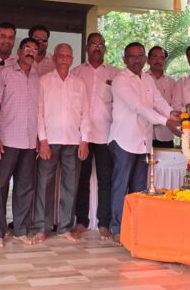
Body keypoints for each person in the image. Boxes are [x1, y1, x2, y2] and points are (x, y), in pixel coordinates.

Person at [109, 42, 180, 241]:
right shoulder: (120, 80)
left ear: (145, 59)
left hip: (143, 141)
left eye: (140, 55)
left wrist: (171, 113)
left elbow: (158, 100)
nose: (137, 60)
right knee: (121, 186)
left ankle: (135, 227)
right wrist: (166, 121)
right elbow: (138, 107)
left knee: (140, 187)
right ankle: (117, 228)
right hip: (123, 140)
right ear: (125, 59)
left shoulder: (147, 79)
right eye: (132, 56)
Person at [32, 43, 90, 243]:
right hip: (50, 140)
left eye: (68, 55)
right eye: (61, 55)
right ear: (55, 58)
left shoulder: (79, 84)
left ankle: (65, 227)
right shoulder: (44, 81)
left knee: (70, 185)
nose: (64, 58)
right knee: (44, 184)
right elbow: (38, 112)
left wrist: (84, 140)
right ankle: (42, 227)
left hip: (74, 141)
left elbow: (85, 114)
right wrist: (43, 140)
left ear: (72, 59)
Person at [0, 38, 40, 248]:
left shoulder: (37, 77)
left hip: (29, 142)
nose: (30, 52)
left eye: (34, 49)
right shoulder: (5, 73)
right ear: (19, 51)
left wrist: (39, 138)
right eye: (27, 48)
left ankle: (20, 230)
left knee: (24, 188)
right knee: (0, 186)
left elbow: (39, 110)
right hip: (7, 139)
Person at [71, 32, 120, 240]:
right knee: (81, 179)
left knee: (105, 180)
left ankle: (104, 223)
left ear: (105, 48)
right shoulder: (76, 72)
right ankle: (81, 222)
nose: (97, 48)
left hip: (106, 135)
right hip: (81, 136)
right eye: (93, 44)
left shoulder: (115, 74)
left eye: (101, 44)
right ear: (87, 48)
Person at [147, 46, 176, 148]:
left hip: (166, 133)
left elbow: (174, 106)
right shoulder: (141, 79)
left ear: (165, 61)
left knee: (167, 158)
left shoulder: (172, 82)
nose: (158, 60)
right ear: (148, 60)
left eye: (162, 58)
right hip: (144, 132)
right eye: (154, 57)